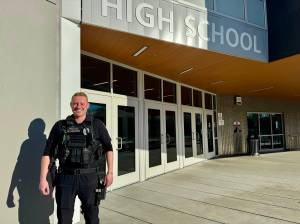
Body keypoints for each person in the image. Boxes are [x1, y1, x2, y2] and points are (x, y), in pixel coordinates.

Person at [39, 92, 113, 224]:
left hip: (89, 178)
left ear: (87, 105)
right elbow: (47, 153)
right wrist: (43, 179)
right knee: (64, 218)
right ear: (71, 105)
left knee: (92, 217)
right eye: (75, 103)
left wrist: (110, 172)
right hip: (66, 178)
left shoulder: (97, 125)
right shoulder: (60, 126)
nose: (78, 106)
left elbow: (109, 148)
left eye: (82, 103)